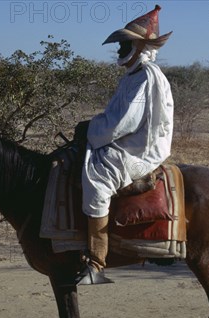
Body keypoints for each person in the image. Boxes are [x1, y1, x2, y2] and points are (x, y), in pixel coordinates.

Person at [74, 5, 174, 285]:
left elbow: (123, 124)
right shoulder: (133, 75)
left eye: (124, 44)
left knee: (98, 176)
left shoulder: (145, 76)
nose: (120, 51)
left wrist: (92, 130)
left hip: (140, 149)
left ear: (140, 45)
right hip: (128, 143)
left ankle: (96, 260)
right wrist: (92, 127)